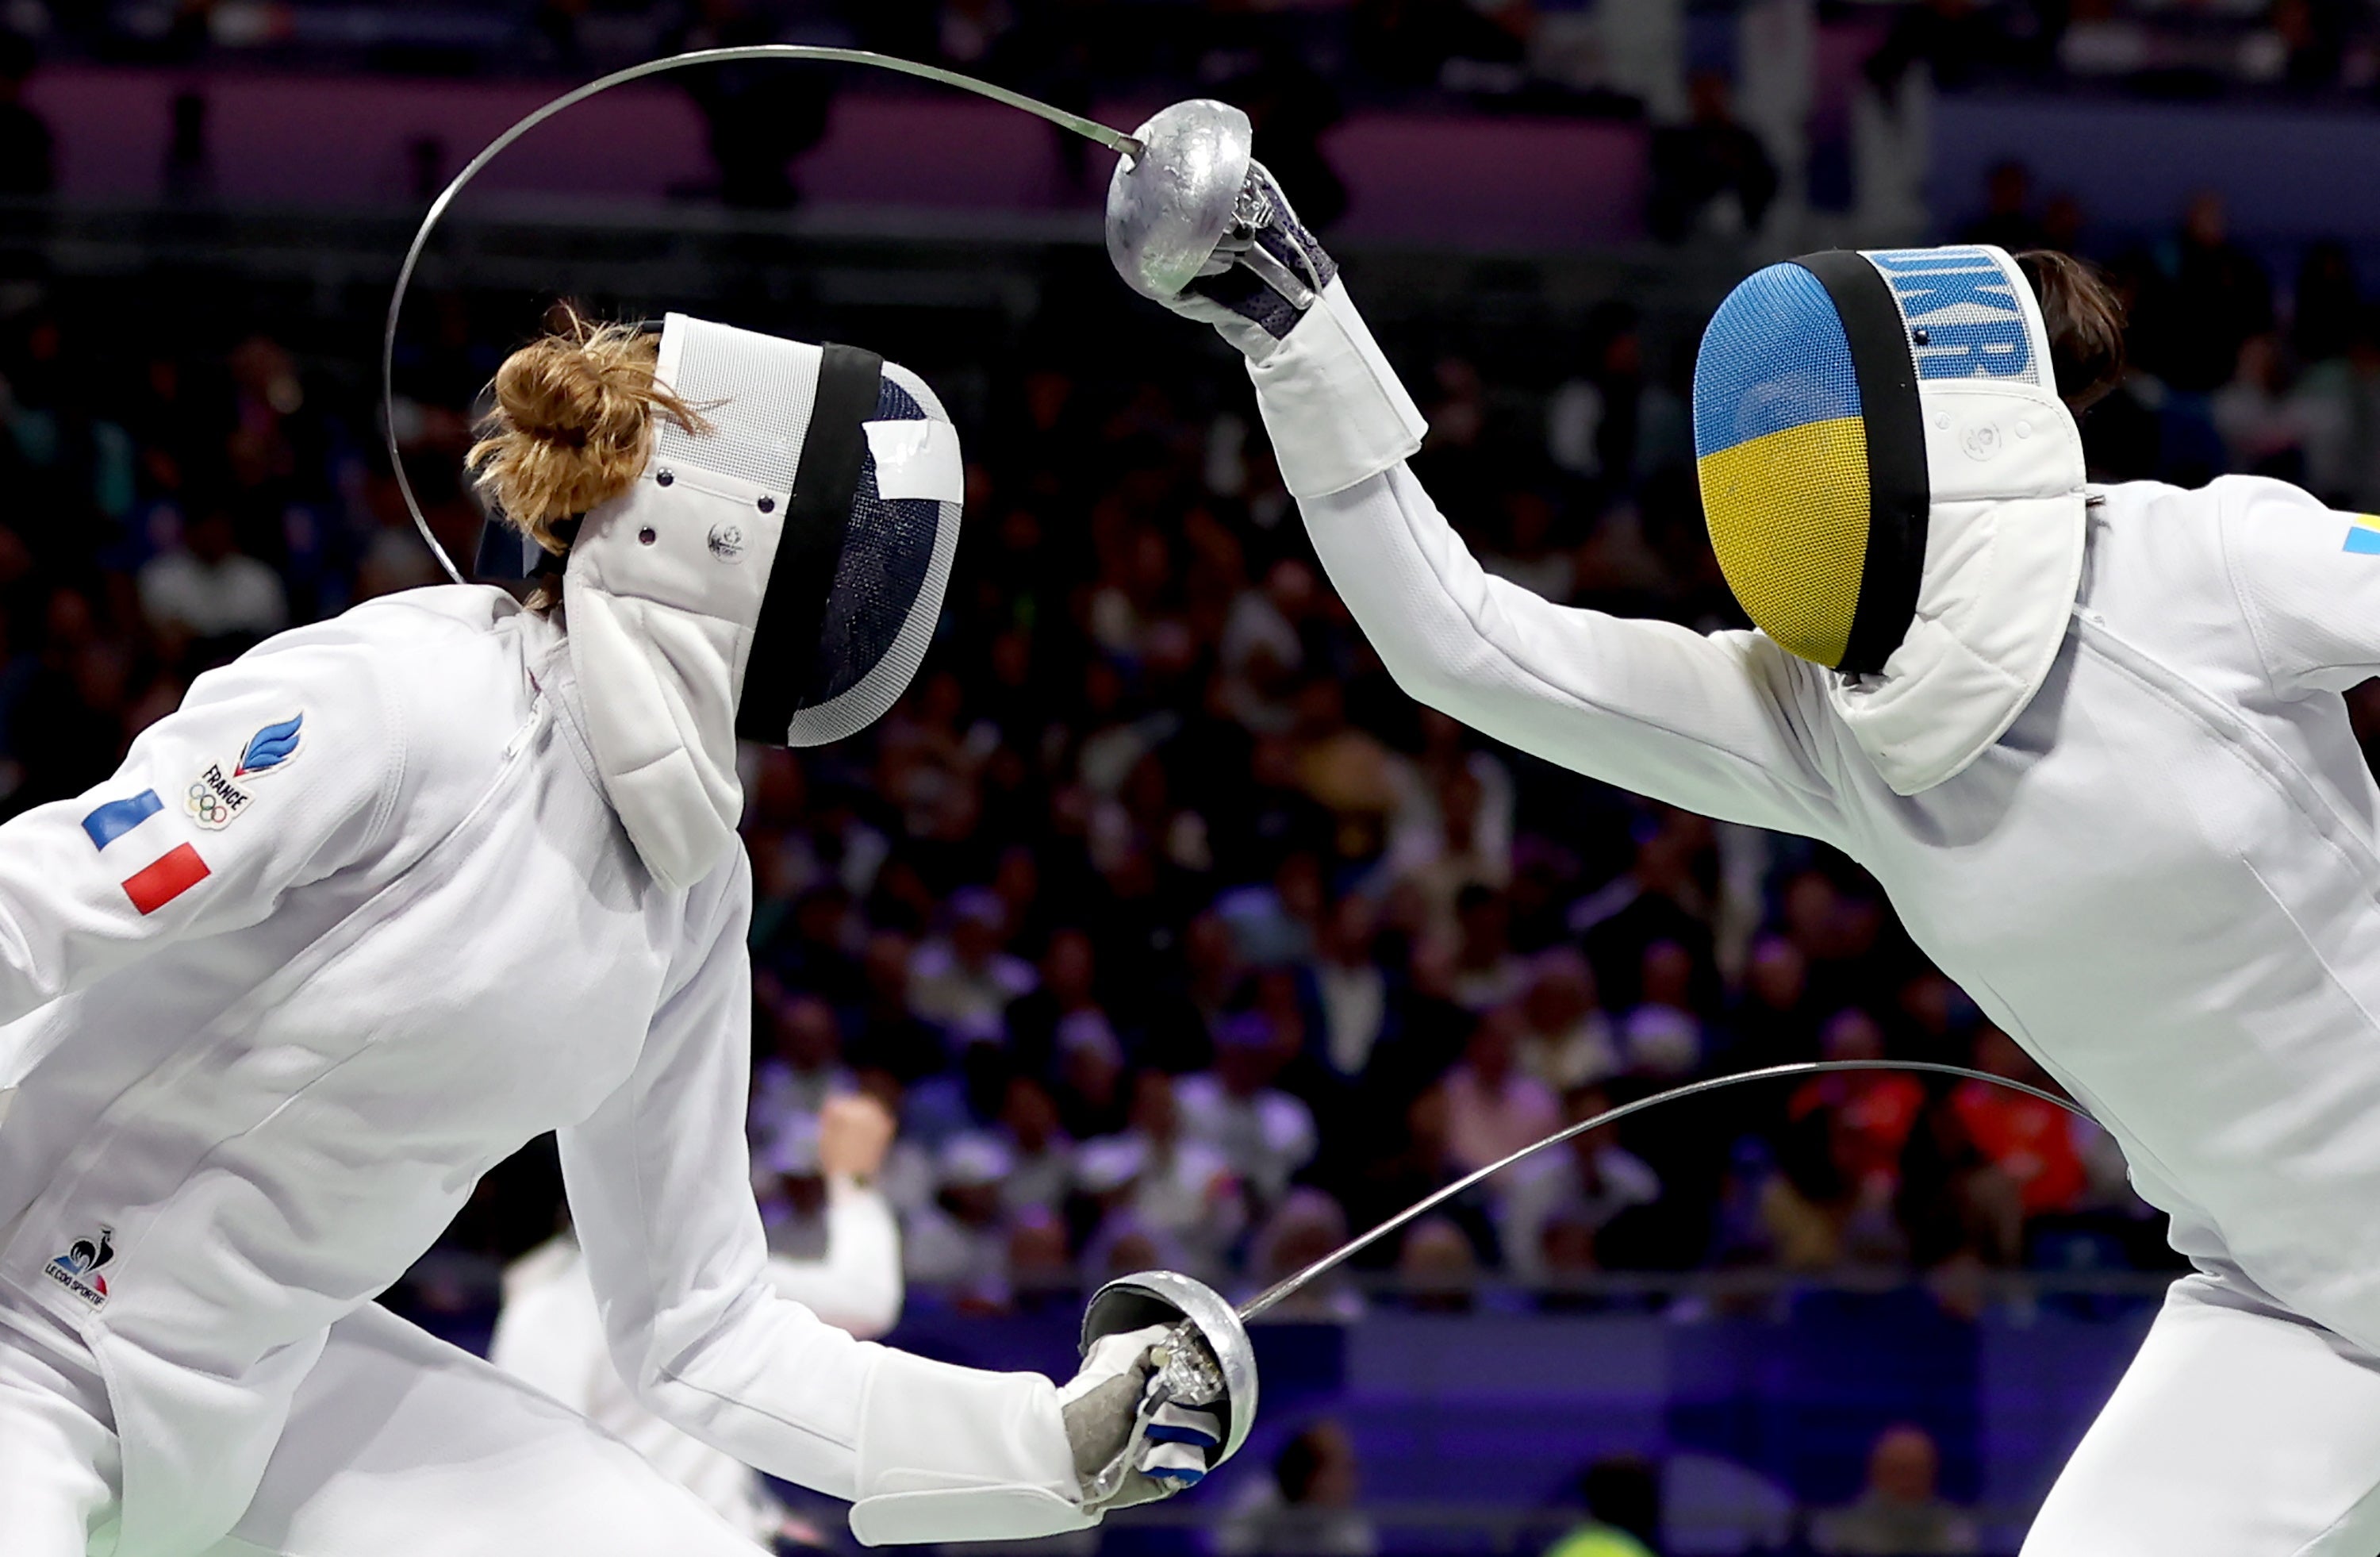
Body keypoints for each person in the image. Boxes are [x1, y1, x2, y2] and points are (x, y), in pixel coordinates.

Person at [1118, 146, 2380, 1553]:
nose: (1771, 505)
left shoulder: (2201, 564)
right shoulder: (1821, 725)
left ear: (1930, 448)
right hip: (2285, 1308)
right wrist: (1296, 331)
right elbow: (1460, 641)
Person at [0, 309, 1224, 1556]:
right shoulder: (412, 695)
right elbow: (35, 904)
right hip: (22, 1345)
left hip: (259, 1384)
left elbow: (703, 1326)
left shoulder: (687, 896)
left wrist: (1055, 1439)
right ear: (713, 527)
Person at [491, 1094, 904, 1547]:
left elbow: (865, 1300)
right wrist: (853, 1179)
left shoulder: (709, 1274)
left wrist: (757, 1515)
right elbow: (537, 1487)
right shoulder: (552, 1309)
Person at [1808, 1424, 1979, 1556]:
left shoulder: (1955, 1532)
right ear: (1876, 1472)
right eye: (1899, 1470)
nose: (1908, 1482)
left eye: (1918, 1471)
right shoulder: (1839, 1532)